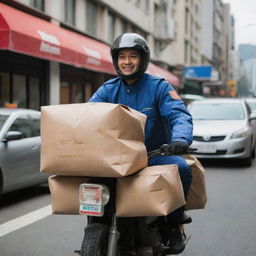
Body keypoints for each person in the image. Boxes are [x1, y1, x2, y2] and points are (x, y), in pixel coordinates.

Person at [89, 33, 193, 254]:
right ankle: (97, 224)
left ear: (143, 59)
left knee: (181, 167)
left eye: (132, 56)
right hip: (116, 160)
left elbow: (179, 115)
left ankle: (173, 223)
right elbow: (86, 116)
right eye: (122, 56)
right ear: (116, 60)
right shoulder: (108, 89)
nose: (127, 61)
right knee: (91, 179)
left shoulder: (159, 87)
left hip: (154, 155)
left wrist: (179, 140)